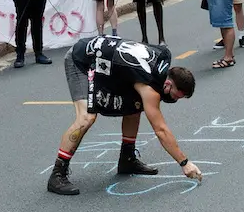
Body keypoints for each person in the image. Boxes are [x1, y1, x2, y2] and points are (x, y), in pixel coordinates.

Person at [46, 33, 200, 195]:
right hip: (83, 60)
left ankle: (127, 159)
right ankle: (57, 173)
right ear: (167, 84)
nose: (174, 100)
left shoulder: (163, 58)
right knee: (86, 118)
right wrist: (184, 163)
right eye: (175, 96)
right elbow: (161, 130)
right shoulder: (150, 87)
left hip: (109, 64)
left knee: (136, 104)